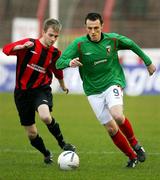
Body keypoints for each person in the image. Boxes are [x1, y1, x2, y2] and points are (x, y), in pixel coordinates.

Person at [56, 12, 156, 168]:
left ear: (102, 26)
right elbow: (58, 63)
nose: (93, 32)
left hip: (112, 82)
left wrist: (148, 62)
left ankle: (135, 144)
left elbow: (131, 44)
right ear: (86, 27)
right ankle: (132, 157)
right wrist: (69, 62)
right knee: (110, 129)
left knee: (117, 115)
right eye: (90, 28)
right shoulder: (79, 44)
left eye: (96, 28)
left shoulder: (113, 40)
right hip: (92, 91)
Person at [2, 18, 75, 164]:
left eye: (56, 36)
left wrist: (62, 84)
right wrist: (21, 47)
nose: (53, 39)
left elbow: (57, 70)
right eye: (50, 35)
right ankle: (46, 153)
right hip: (22, 94)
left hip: (40, 90)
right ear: (43, 32)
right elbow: (6, 49)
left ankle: (63, 144)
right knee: (32, 133)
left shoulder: (55, 53)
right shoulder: (30, 44)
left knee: (45, 116)